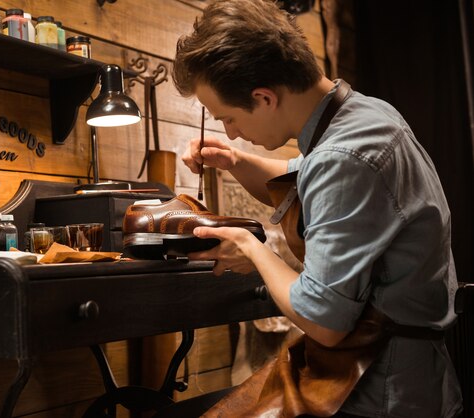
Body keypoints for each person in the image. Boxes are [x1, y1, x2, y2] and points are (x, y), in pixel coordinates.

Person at [172, 0, 463, 416]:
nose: (230, 132)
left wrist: (254, 251)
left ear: (264, 97)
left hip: (384, 392)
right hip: (406, 374)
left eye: (228, 118)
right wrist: (234, 162)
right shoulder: (365, 115)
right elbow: (301, 176)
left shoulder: (344, 156)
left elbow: (324, 322)